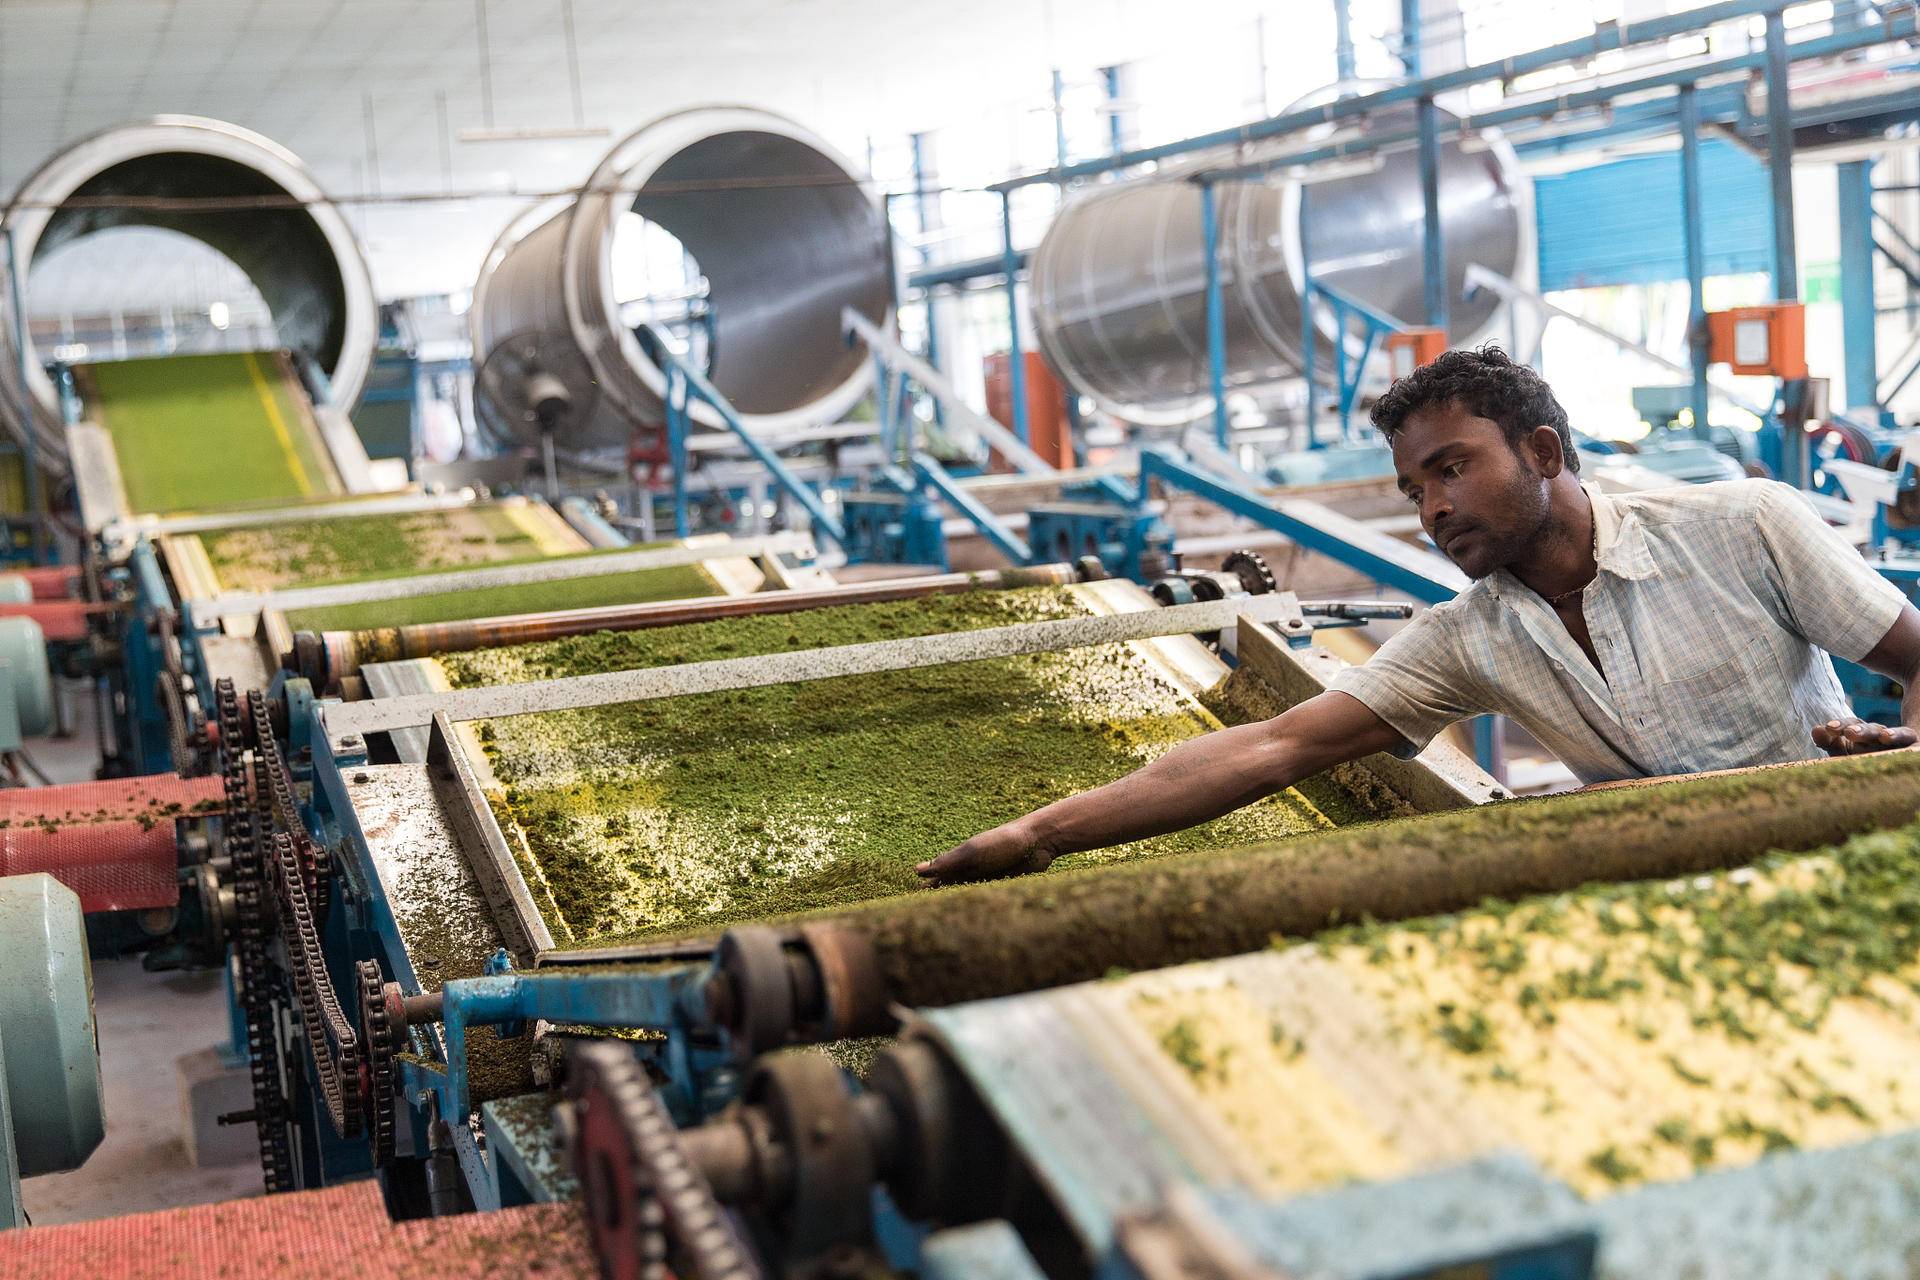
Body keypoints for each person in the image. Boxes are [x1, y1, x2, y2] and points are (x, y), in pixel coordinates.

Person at [917, 345, 1920, 887]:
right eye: (1412, 489)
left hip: (1858, 867)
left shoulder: (1743, 525)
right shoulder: (1470, 635)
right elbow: (1267, 749)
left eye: (1450, 468)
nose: (1433, 506)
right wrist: (1043, 831)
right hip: (1679, 901)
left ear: (1540, 451)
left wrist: (1907, 742)